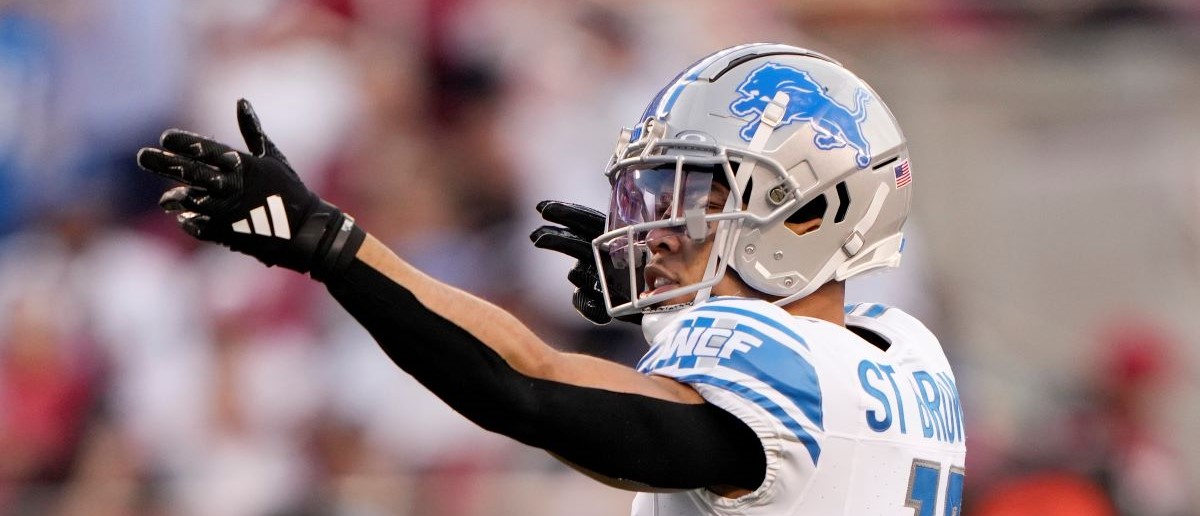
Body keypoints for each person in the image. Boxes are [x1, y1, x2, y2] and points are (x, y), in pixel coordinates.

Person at [136, 43, 965, 515]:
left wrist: (337, 248)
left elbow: (527, 389)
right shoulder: (907, 355)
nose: (663, 231)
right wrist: (663, 315)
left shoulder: (774, 368)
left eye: (701, 203)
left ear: (809, 214)